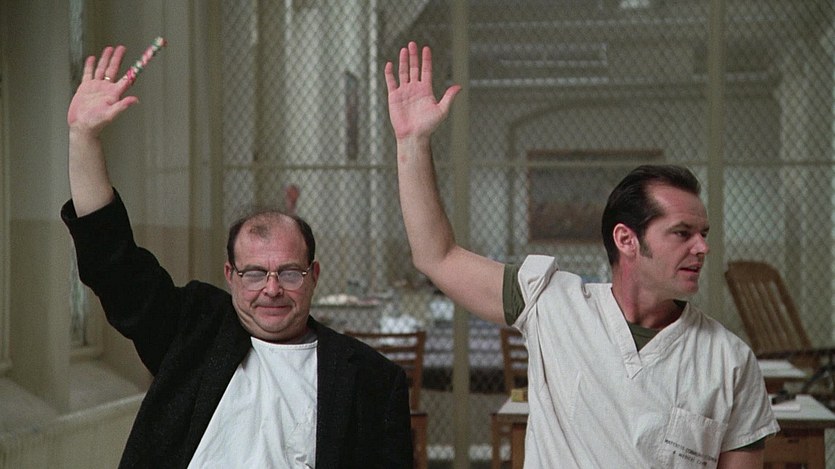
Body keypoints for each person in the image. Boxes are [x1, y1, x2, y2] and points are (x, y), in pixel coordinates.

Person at [385, 41, 779, 468]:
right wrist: (413, 142)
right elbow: (437, 256)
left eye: (703, 234)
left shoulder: (729, 361)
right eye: (682, 233)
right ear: (627, 240)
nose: (702, 248)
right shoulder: (551, 304)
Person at [62, 44, 413, 468]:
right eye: (254, 273)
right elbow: (114, 265)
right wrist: (83, 138)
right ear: (230, 275)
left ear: (314, 275)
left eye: (289, 273)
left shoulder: (369, 380)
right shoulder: (192, 332)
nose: (271, 289)